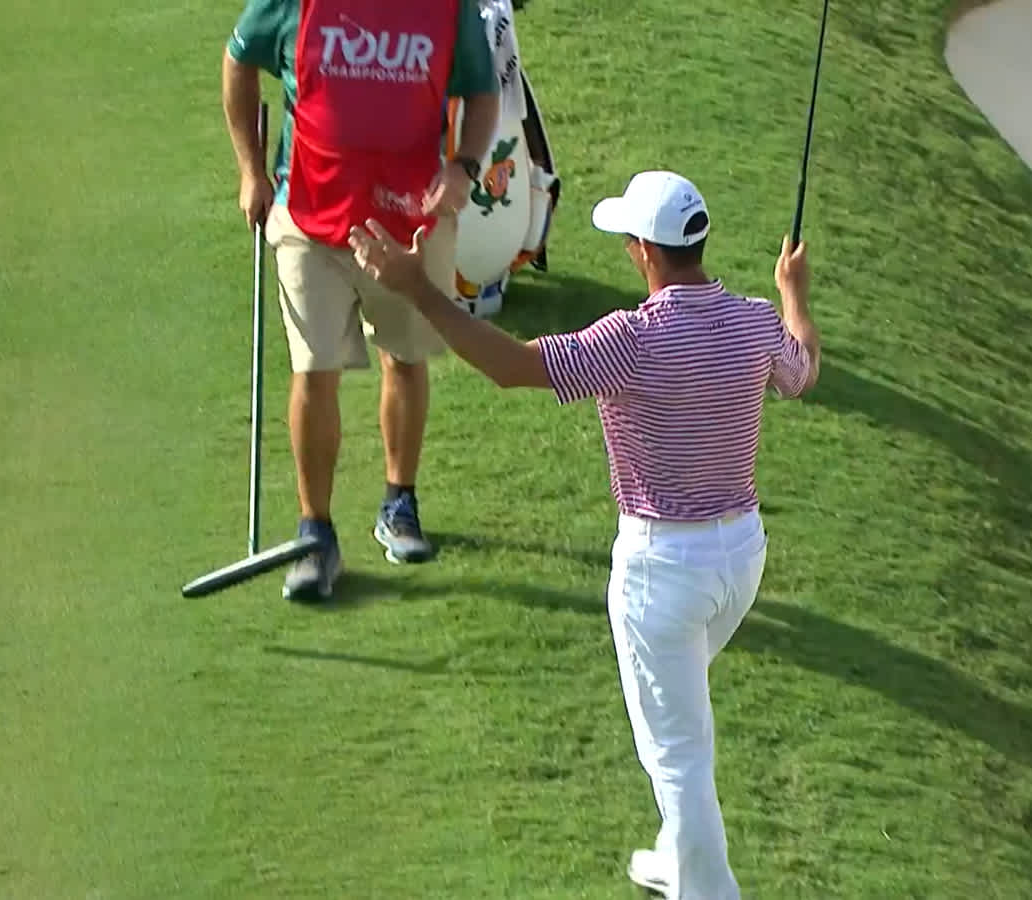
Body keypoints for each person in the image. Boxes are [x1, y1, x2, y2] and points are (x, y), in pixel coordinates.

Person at [345, 170, 820, 899]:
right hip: (740, 564)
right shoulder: (755, 320)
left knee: (679, 754)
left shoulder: (629, 340)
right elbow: (801, 371)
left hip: (663, 572)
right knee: (679, 718)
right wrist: (792, 292)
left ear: (642, 252)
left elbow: (510, 367)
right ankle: (676, 853)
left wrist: (419, 292)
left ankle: (708, 890)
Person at [221, 0, 501, 601]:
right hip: (308, 218)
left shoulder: (449, 7)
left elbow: (482, 91)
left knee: (404, 359)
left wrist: (465, 168)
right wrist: (251, 171)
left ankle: (399, 503)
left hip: (412, 218)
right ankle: (314, 533)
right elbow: (239, 59)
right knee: (314, 372)